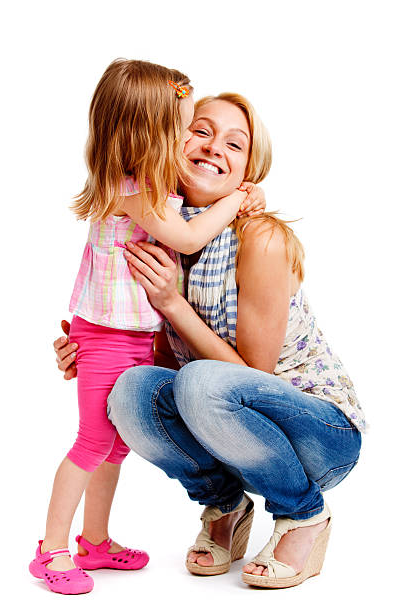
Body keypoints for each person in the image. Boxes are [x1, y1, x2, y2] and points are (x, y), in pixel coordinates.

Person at [55, 92, 366, 589]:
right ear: (169, 143)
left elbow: (251, 379)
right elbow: (161, 364)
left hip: (317, 432)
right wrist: (94, 354)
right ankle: (225, 503)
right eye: (200, 130)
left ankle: (305, 514)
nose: (213, 147)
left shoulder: (259, 238)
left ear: (248, 173)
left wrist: (173, 304)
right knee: (132, 388)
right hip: (232, 429)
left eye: (234, 143)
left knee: (202, 382)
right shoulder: (156, 237)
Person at [30, 61, 265, 596]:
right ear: (148, 131)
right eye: (183, 124)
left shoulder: (155, 189)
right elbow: (185, 241)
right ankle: (51, 549)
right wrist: (236, 198)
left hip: (133, 339)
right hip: (107, 338)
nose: (188, 135)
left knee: (115, 447)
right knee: (91, 443)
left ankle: (94, 541)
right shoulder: (129, 187)